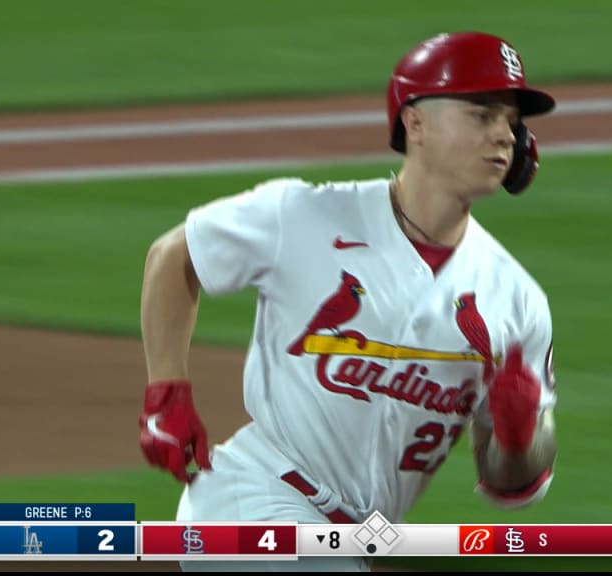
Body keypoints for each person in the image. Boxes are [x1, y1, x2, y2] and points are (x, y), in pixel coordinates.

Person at [138, 31, 559, 571]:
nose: (505, 135)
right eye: (482, 114)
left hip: (356, 544)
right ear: (416, 123)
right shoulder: (305, 216)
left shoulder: (517, 300)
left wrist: (520, 436)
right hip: (252, 503)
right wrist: (165, 393)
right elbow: (175, 256)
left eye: (511, 121)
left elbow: (510, 483)